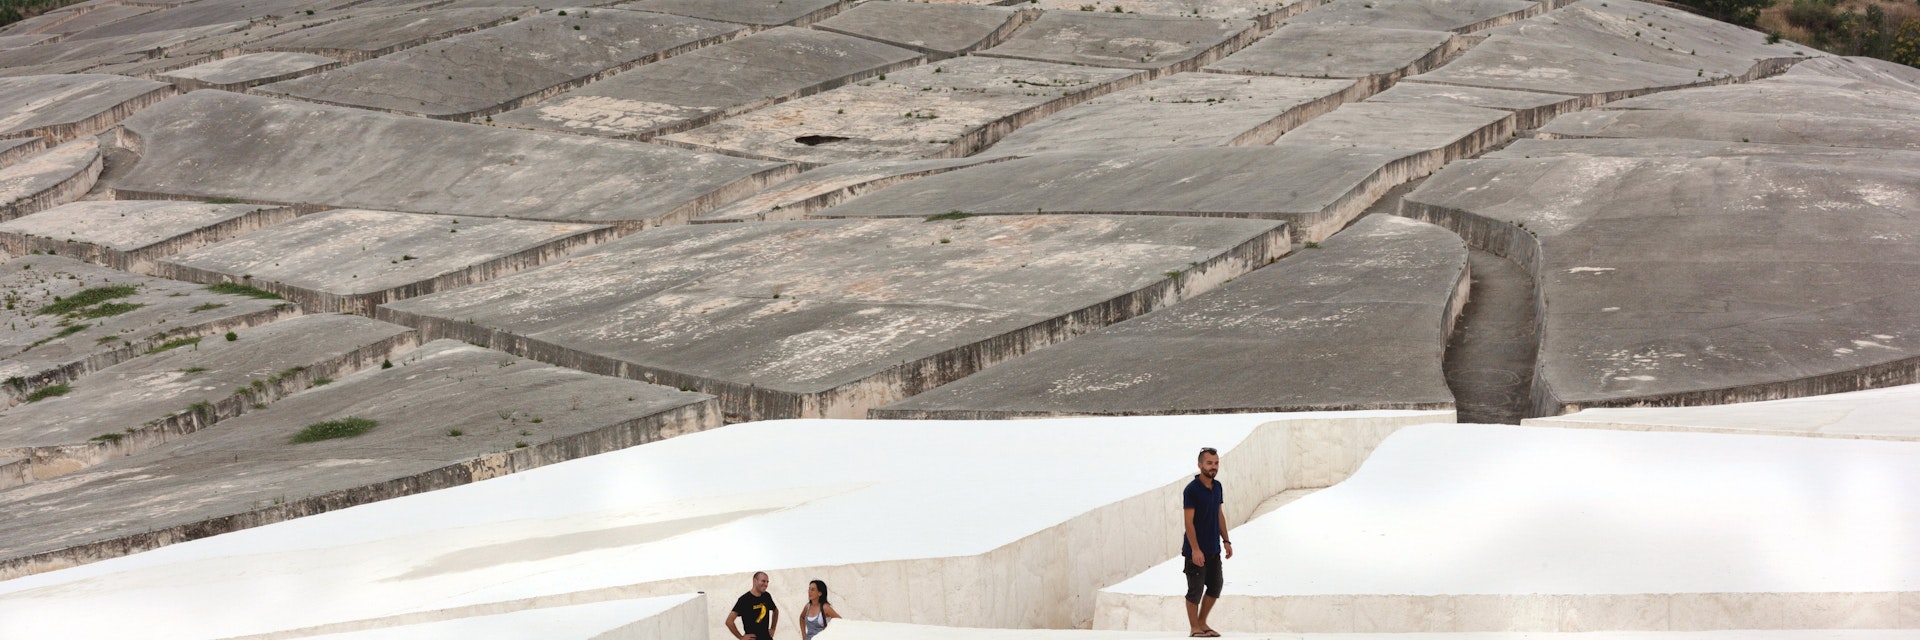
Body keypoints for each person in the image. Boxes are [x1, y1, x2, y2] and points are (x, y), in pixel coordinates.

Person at [1182, 447, 1231, 638]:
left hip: (1214, 549)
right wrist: (1195, 549)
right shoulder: (1191, 490)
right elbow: (1188, 522)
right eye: (1209, 463)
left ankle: (1202, 622)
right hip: (1196, 551)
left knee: (1216, 586)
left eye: (1216, 463)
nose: (1213, 467)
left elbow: (1219, 515)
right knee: (1195, 589)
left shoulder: (1217, 486)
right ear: (1200, 465)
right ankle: (1194, 627)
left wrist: (1226, 540)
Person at [727, 572, 779, 640]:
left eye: (767, 582)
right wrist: (741, 637)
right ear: (755, 581)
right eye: (763, 581)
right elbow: (729, 621)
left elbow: (776, 611)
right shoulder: (744, 600)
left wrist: (773, 628)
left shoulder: (766, 596)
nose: (766, 584)